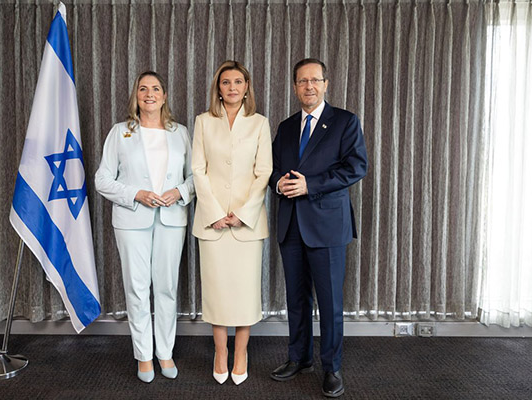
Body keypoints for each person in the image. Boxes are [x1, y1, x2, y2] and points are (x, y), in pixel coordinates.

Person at [269, 58, 367, 397]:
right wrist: (278, 184)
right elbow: (272, 169)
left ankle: (332, 367)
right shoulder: (285, 127)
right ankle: (299, 358)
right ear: (295, 87)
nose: (308, 86)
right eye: (302, 81)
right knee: (296, 299)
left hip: (327, 226)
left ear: (325, 84)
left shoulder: (345, 121)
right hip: (291, 225)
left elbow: (356, 167)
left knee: (329, 303)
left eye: (315, 80)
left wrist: (310, 185)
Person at [95, 71, 194, 383]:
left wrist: (179, 191)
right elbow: (102, 180)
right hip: (131, 221)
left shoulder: (180, 133)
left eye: (155, 89)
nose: (149, 94)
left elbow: (196, 176)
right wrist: (136, 194)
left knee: (166, 287)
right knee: (137, 289)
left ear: (164, 96)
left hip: (171, 219)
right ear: (136, 96)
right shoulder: (120, 132)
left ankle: (165, 352)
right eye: (143, 89)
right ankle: (144, 356)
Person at [192, 60, 272, 386]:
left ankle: (241, 353)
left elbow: (264, 172)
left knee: (244, 293)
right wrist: (214, 213)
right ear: (218, 88)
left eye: (238, 82)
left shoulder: (259, 123)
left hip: (246, 224)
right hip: (212, 224)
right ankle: (220, 351)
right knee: (217, 292)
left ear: (247, 87)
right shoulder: (203, 122)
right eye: (226, 82)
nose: (232, 87)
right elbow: (197, 169)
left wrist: (242, 213)